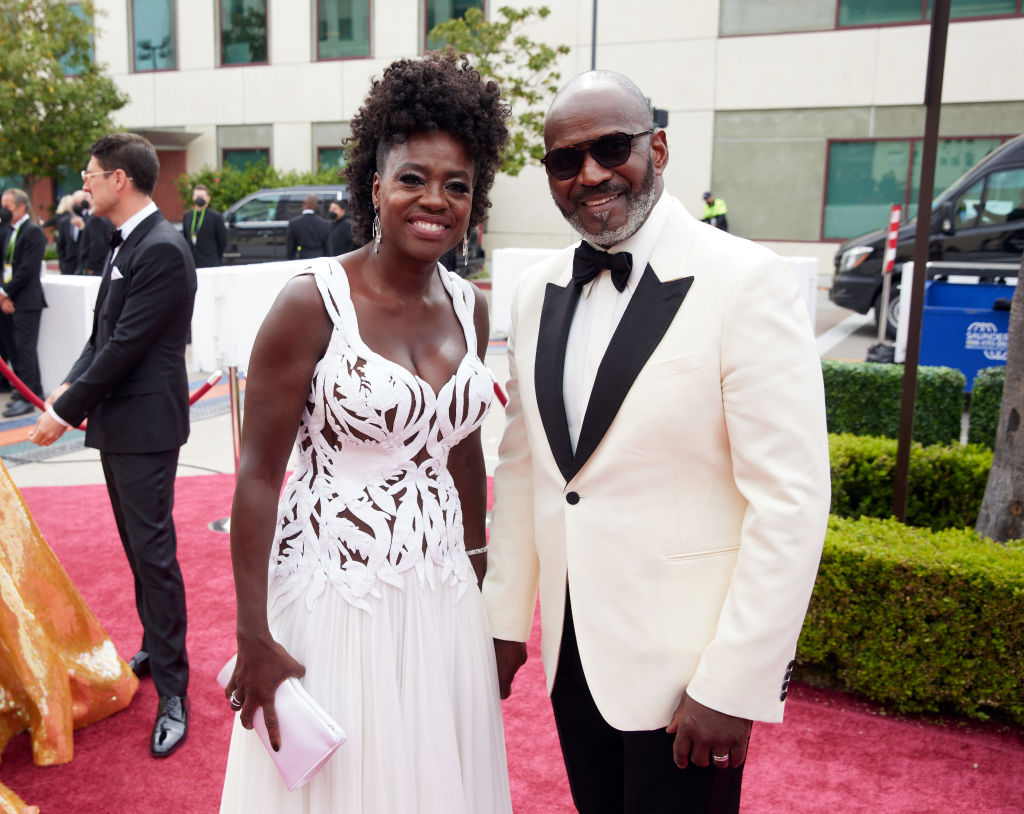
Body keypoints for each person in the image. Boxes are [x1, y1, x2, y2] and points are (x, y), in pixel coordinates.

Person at [482, 70, 830, 814]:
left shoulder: (746, 280)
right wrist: (504, 620)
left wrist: (734, 682)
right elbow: (523, 468)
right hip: (575, 660)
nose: (590, 175)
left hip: (689, 680)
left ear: (659, 149)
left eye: (612, 148)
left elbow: (791, 502)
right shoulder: (535, 291)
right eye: (565, 161)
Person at [219, 50, 512, 812]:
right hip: (336, 599)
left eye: (458, 185)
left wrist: (479, 572)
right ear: (374, 186)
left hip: (442, 594)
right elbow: (257, 476)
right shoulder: (311, 302)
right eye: (413, 178)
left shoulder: (472, 308)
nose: (435, 200)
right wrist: (252, 633)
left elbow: (463, 453)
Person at [27, 133, 198, 760]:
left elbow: (127, 346)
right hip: (121, 422)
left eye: (90, 174)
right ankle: (155, 646)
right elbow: (103, 335)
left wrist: (63, 411)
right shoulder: (129, 241)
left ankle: (174, 692)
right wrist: (67, 387)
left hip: (146, 426)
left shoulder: (162, 248)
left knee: (154, 554)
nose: (84, 183)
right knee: (136, 549)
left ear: (119, 179)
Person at [0, 188, 47, 417]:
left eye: (7, 206)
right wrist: (4, 294)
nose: (3, 210)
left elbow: (27, 269)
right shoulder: (9, 231)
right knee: (16, 348)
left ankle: (27, 398)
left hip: (27, 301)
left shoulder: (33, 232)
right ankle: (30, 391)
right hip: (11, 299)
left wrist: (4, 292)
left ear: (21, 206)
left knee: (25, 349)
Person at [182, 183, 228, 267]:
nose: (199, 198)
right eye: (197, 196)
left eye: (202, 196)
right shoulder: (187, 216)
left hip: (210, 263)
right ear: (193, 197)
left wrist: (216, 257)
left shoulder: (216, 217)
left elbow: (222, 241)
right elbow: (185, 238)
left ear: (208, 198)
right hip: (192, 263)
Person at [75, 192, 114, 275]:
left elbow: (97, 244)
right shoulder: (106, 216)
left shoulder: (96, 219)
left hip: (96, 268)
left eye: (87, 197)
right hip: (104, 265)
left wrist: (91, 267)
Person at [285, 194, 330, 260]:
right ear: (316, 206)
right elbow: (328, 248)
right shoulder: (324, 224)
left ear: (304, 203)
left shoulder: (294, 223)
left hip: (302, 259)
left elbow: (290, 248)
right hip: (320, 259)